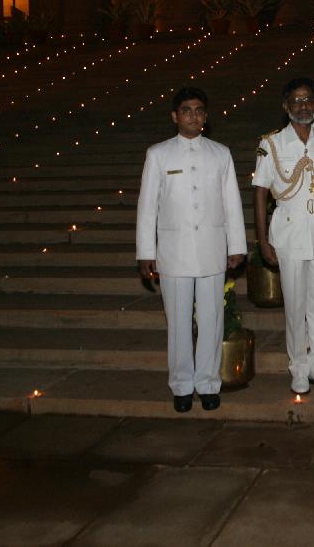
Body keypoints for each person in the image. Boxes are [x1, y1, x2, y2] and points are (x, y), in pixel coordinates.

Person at [136, 87, 247, 413]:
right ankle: (182, 385)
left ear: (206, 116)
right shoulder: (158, 154)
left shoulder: (220, 153)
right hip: (174, 252)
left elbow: (232, 203)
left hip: (212, 249)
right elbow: (147, 207)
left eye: (199, 110)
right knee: (179, 323)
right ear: (175, 116)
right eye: (186, 110)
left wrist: (236, 245)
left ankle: (208, 383)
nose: (193, 116)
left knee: (212, 321)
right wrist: (146, 251)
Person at [253, 78, 314, 395]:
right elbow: (260, 193)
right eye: (297, 100)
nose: (303, 106)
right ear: (286, 105)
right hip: (289, 233)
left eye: (308, 100)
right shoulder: (272, 144)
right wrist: (262, 240)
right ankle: (299, 368)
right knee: (294, 305)